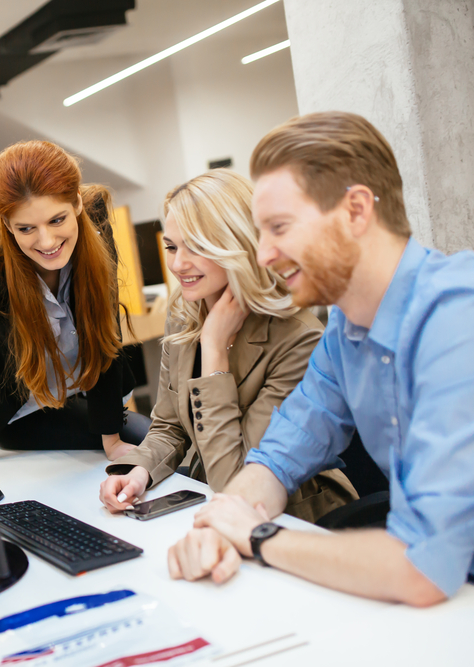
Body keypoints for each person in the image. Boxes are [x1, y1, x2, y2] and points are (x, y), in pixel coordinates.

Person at [167, 111, 474, 607]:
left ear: (355, 210)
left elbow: (422, 569)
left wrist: (260, 538)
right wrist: (221, 525)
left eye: (279, 228)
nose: (263, 254)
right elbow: (275, 460)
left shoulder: (457, 318)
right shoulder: (345, 334)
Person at [98, 170, 355, 522]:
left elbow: (237, 481)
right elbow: (169, 425)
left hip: (292, 516)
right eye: (171, 246)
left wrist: (215, 350)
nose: (178, 264)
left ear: (239, 246)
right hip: (215, 504)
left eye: (198, 247)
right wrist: (140, 471)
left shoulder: (299, 339)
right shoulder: (184, 313)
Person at [0, 140, 150, 455]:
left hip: (93, 396)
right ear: (6, 224)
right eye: (26, 228)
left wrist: (111, 441)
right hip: (22, 414)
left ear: (78, 204)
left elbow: (105, 332)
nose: (47, 241)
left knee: (154, 444)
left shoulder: (95, 228)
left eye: (57, 220)